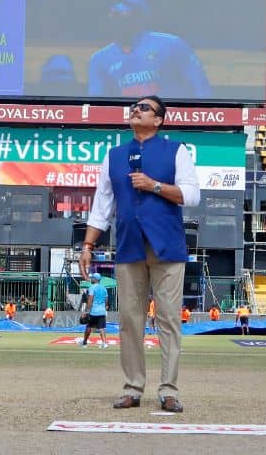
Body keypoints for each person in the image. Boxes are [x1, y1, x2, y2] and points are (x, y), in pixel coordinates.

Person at [81, 95, 201, 413]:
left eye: (144, 108)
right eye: (134, 107)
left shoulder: (177, 151)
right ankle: (133, 387)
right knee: (129, 321)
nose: (136, 110)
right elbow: (102, 207)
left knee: (169, 319)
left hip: (168, 247)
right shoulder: (114, 155)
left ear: (159, 119)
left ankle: (169, 390)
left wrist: (155, 186)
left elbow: (191, 195)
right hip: (129, 246)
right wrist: (88, 246)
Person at [86, 0, 211, 99]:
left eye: (125, 15)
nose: (119, 19)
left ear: (139, 17)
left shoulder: (171, 44)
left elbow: (201, 89)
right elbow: (97, 103)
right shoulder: (99, 59)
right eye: (114, 14)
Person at [81, 272, 110, 349]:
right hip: (102, 311)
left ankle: (84, 343)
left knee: (89, 326)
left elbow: (90, 300)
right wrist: (105, 307)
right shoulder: (104, 288)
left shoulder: (92, 287)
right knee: (102, 328)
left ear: (95, 279)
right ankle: (104, 343)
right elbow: (106, 300)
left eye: (92, 278)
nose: (91, 279)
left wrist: (87, 311)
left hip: (93, 311)